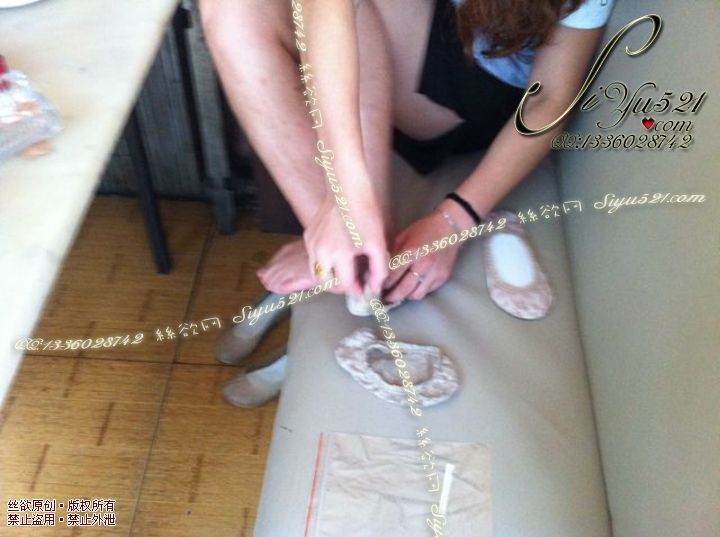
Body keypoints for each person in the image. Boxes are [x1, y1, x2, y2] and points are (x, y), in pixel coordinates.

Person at [201, 0, 615, 406]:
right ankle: (352, 260)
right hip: (417, 31)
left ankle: (354, 269)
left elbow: (550, 98)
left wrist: (455, 219)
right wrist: (346, 197)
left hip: (473, 88)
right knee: (231, 7)